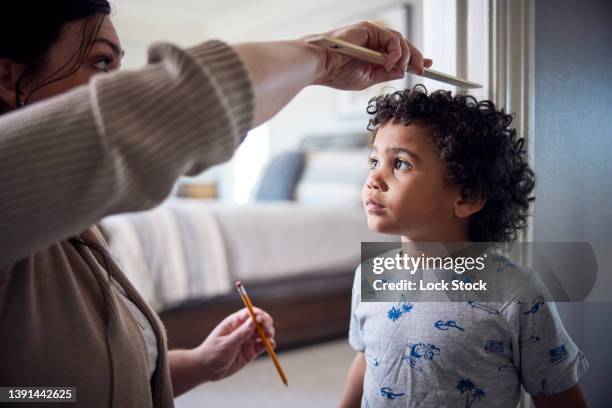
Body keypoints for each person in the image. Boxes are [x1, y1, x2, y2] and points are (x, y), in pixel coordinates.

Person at [0, 0, 431, 406]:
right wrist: (322, 55)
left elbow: (55, 387)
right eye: (99, 62)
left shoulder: (70, 230)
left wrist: (199, 362)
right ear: (8, 77)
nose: (116, 87)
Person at [338, 86, 589, 407]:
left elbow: (558, 396)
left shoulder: (517, 294)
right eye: (374, 161)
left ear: (466, 196)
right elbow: (366, 361)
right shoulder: (370, 275)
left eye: (400, 163)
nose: (374, 177)